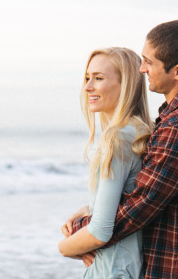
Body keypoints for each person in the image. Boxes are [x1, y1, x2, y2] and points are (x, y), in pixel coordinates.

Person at [63, 20, 178, 279]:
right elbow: (139, 194)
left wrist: (74, 236)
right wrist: (91, 209)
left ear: (177, 71)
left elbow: (139, 207)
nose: (142, 69)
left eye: (149, 62)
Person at [58, 47, 154, 278]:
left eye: (99, 78)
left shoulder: (117, 138)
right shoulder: (143, 131)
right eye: (87, 78)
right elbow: (130, 200)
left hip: (111, 270)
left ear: (126, 85)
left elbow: (100, 230)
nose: (88, 87)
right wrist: (89, 208)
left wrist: (66, 248)